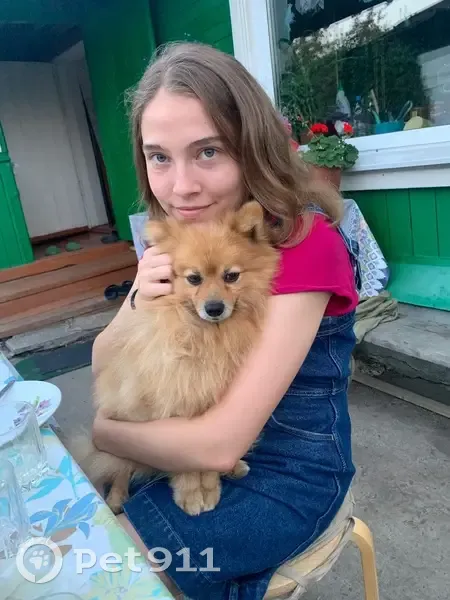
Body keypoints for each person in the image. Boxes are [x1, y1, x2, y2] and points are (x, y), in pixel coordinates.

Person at [91, 41, 359, 600]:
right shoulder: (177, 242)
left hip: (284, 473)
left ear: (253, 146)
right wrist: (140, 292)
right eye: (159, 157)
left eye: (207, 151)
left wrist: (107, 435)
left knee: (110, 575)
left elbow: (217, 446)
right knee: (78, 550)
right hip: (180, 448)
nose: (182, 186)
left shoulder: (304, 246)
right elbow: (104, 362)